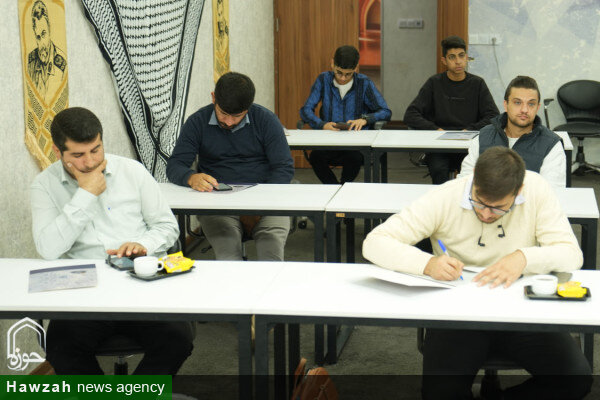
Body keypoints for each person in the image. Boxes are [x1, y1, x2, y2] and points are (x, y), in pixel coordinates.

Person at [363, 147, 591, 400]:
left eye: (498, 208)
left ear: (519, 191)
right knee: (440, 394)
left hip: (521, 310)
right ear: (473, 179)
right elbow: (374, 242)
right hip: (458, 313)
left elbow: (572, 254)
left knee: (575, 381)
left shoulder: (536, 190)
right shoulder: (445, 196)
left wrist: (524, 258)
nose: (485, 214)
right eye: (478, 202)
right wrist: (427, 264)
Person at [31, 107, 193, 374]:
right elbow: (48, 249)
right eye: (78, 155)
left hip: (140, 284)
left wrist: (144, 245)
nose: (90, 162)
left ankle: (135, 393)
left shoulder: (133, 172)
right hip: (84, 292)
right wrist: (85, 195)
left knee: (177, 338)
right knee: (61, 347)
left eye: (96, 150)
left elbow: (166, 226)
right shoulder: (44, 185)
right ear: (58, 152)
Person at [167, 72, 294, 261]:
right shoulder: (197, 122)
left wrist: (260, 206)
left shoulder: (266, 120)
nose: (228, 122)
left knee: (271, 252)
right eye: (223, 114)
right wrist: (191, 177)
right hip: (218, 203)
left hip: (266, 199)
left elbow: (283, 168)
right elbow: (175, 165)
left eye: (237, 116)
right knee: (227, 256)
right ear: (213, 98)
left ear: (248, 107)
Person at [404, 35, 498, 184]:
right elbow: (410, 114)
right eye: (452, 57)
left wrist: (470, 130)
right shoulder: (434, 83)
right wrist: (435, 130)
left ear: (466, 57)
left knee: (471, 176)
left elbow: (493, 116)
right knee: (438, 170)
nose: (458, 61)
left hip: (469, 143)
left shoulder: (477, 84)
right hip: (440, 145)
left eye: (461, 56)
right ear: (444, 61)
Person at [299, 45, 391, 184]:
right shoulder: (323, 80)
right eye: (339, 72)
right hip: (328, 142)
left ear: (356, 68)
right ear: (332, 63)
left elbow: (385, 111)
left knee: (354, 158)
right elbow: (306, 110)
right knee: (316, 157)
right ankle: (335, 189)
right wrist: (322, 125)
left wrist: (365, 120)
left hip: (355, 145)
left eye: (348, 74)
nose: (343, 78)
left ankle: (341, 188)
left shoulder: (364, 83)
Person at [458, 75, 566, 188]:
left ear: (537, 107)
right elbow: (464, 183)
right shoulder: (483, 137)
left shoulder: (551, 145)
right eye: (517, 102)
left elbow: (551, 191)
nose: (524, 110)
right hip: (485, 199)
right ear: (506, 105)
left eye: (531, 104)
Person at [27, 0, 66, 100]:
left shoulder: (62, 63)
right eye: (38, 37)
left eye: (43, 34)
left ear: (49, 30)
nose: (42, 44)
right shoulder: (31, 63)